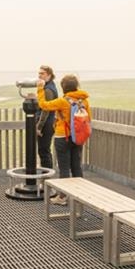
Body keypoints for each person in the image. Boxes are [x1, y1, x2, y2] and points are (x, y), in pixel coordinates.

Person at [36, 73, 91, 205]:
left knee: (64, 168)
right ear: (76, 86)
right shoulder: (84, 101)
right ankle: (80, 195)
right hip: (77, 137)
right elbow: (88, 119)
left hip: (62, 137)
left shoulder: (63, 101)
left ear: (63, 87)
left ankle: (62, 197)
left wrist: (40, 89)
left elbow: (43, 105)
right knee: (76, 166)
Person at [35, 65, 58, 171]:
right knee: (45, 150)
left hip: (46, 124)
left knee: (44, 151)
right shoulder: (48, 86)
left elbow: (46, 110)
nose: (39, 75)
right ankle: (47, 174)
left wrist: (39, 127)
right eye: (39, 73)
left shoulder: (48, 90)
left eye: (42, 73)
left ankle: (46, 176)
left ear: (49, 75)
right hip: (48, 122)